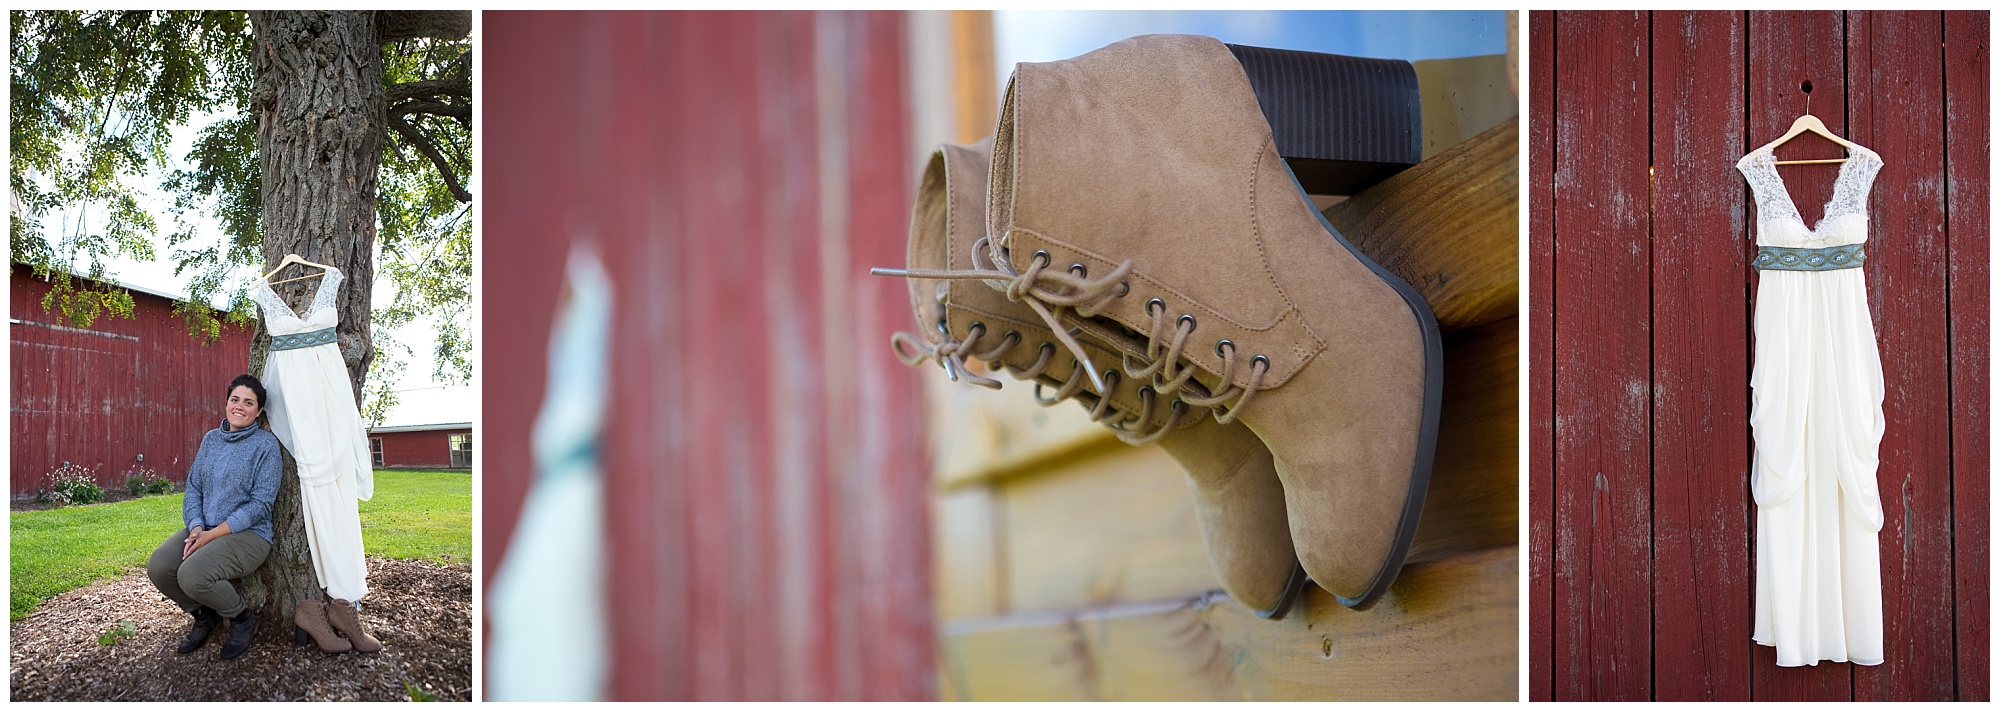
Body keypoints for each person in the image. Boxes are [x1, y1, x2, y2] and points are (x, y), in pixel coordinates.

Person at [145, 374, 282, 660]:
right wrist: (196, 527)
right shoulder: (211, 440)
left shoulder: (266, 446)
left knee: (192, 574)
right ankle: (204, 615)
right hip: (203, 528)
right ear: (227, 402)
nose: (240, 407)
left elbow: (260, 504)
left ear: (258, 411)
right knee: (159, 566)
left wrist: (212, 534)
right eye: (235, 400)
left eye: (249, 403)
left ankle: (242, 618)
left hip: (248, 536)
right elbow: (194, 487)